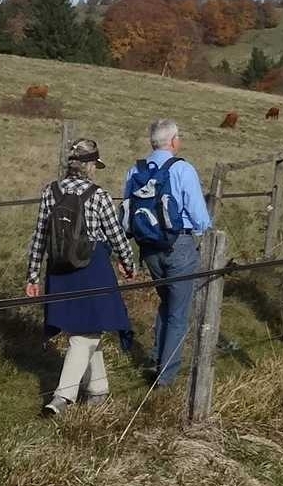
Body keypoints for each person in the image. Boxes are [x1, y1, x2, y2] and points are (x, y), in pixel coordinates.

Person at [24, 139, 139, 417]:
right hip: (92, 267)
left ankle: (98, 389)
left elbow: (40, 235)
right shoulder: (99, 195)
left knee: (88, 329)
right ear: (89, 166)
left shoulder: (49, 192)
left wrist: (33, 275)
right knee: (83, 335)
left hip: (59, 268)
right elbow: (115, 235)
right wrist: (129, 263)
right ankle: (61, 399)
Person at [123, 119, 212, 386]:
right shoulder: (182, 169)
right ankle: (166, 376)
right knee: (178, 312)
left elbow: (128, 207)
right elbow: (199, 216)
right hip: (179, 245)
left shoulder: (135, 170)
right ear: (173, 141)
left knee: (166, 302)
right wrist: (203, 230)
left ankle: (156, 357)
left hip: (148, 247)